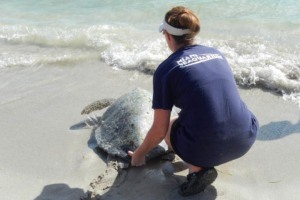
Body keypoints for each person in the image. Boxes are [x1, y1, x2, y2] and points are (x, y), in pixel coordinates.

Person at [128, 6, 259, 196]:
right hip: (247, 136)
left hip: (209, 146)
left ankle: (198, 170)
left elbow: (158, 131)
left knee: (171, 127)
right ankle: (215, 149)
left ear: (167, 36)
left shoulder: (166, 70)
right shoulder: (216, 53)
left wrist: (139, 155)